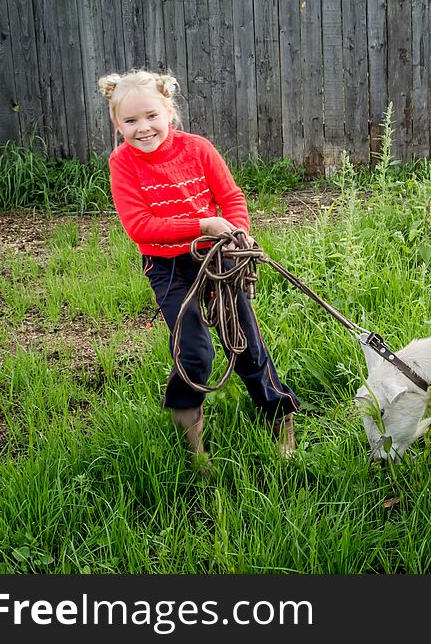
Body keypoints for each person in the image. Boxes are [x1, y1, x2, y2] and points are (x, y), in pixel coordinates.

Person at [97, 69, 299, 474]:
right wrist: (203, 225)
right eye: (130, 121)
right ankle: (194, 447)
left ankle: (282, 421)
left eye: (151, 115)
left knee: (244, 341)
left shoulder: (198, 149)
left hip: (217, 257)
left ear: (169, 110)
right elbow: (139, 227)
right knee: (193, 351)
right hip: (167, 265)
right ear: (117, 124)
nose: (143, 128)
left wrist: (236, 233)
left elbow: (231, 197)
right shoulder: (123, 164)